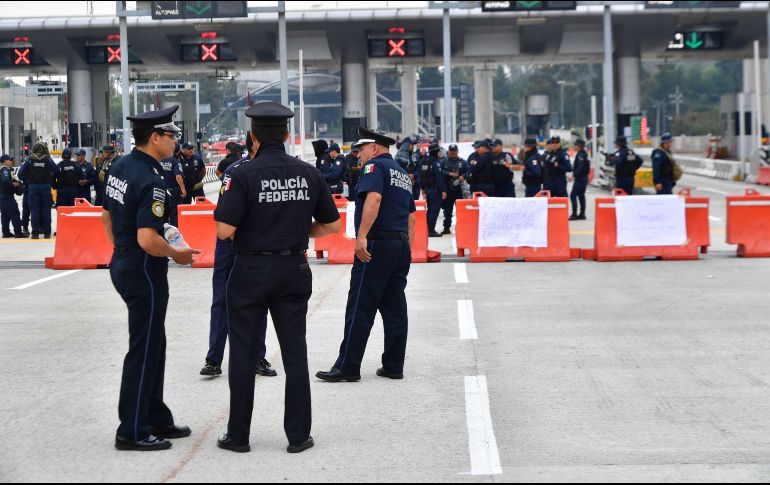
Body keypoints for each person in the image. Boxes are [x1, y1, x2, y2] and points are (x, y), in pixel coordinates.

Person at [214, 102, 340, 454]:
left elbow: (224, 230)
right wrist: (297, 231)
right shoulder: (309, 173)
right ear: (287, 135)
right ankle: (298, 436)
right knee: (295, 352)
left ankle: (238, 436)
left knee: (242, 353)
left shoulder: (241, 175)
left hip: (250, 270)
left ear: (252, 136)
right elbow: (332, 225)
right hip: (292, 269)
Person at [100, 105, 199, 451]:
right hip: (143, 267)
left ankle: (156, 416)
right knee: (144, 348)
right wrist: (178, 254)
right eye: (171, 135)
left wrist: (123, 251)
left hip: (126, 262)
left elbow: (106, 217)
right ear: (155, 137)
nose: (175, 141)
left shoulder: (120, 166)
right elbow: (148, 238)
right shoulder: (152, 181)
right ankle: (133, 430)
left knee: (155, 342)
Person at [316, 127, 416, 384]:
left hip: (377, 245)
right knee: (395, 308)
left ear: (375, 148)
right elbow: (411, 216)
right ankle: (394, 365)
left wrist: (362, 237)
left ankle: (347, 366)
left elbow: (374, 199)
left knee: (360, 305)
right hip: (399, 245)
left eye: (360, 149)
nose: (357, 155)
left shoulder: (375, 168)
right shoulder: (402, 173)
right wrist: (407, 248)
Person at [202, 135, 277, 379]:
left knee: (259, 300)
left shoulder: (273, 171)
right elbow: (224, 213)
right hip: (230, 243)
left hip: (258, 245)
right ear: (254, 144)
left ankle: (258, 356)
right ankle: (214, 358)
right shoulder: (235, 171)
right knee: (222, 300)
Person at [17, 142, 57, 239]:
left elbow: (20, 174)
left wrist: (27, 181)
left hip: (33, 187)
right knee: (46, 210)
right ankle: (47, 233)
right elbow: (56, 170)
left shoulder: (29, 160)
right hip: (45, 187)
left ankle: (35, 233)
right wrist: (50, 178)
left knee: (34, 210)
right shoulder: (48, 159)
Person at [417, 143, 447, 237]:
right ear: (435, 152)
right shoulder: (435, 163)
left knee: (429, 210)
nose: (439, 153)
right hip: (435, 190)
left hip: (427, 190)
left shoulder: (424, 161)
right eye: (438, 151)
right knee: (434, 211)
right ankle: (431, 230)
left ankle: (427, 229)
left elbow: (421, 175)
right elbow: (439, 178)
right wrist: (443, 190)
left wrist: (422, 188)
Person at [439, 144, 469, 235]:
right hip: (448, 189)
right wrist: (449, 174)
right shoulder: (443, 162)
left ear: (457, 151)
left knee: (461, 210)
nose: (453, 152)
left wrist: (463, 176)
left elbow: (469, 171)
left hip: (459, 190)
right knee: (447, 211)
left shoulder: (462, 162)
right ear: (449, 151)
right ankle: (446, 227)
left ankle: (462, 228)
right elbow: (439, 172)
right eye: (451, 151)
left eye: (454, 151)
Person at [158, 143, 186, 227]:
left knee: (162, 213)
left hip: (160, 190)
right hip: (173, 192)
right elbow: (178, 176)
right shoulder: (175, 162)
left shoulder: (160, 160)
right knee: (174, 213)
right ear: (177, 152)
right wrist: (183, 189)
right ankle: (174, 233)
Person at [0, 154, 26, 238]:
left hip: (2, 196)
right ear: (4, 161)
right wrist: (15, 184)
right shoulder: (5, 170)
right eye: (9, 160)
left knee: (5, 215)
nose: (11, 161)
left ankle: (6, 232)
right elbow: (5, 182)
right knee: (15, 213)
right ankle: (18, 233)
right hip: (7, 196)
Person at [569, 139, 590, 220]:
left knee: (573, 195)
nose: (574, 146)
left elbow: (580, 167)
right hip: (583, 178)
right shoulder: (583, 154)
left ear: (579, 146)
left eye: (576, 145)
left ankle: (574, 214)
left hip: (580, 178)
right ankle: (582, 214)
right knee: (581, 195)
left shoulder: (581, 155)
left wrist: (574, 175)